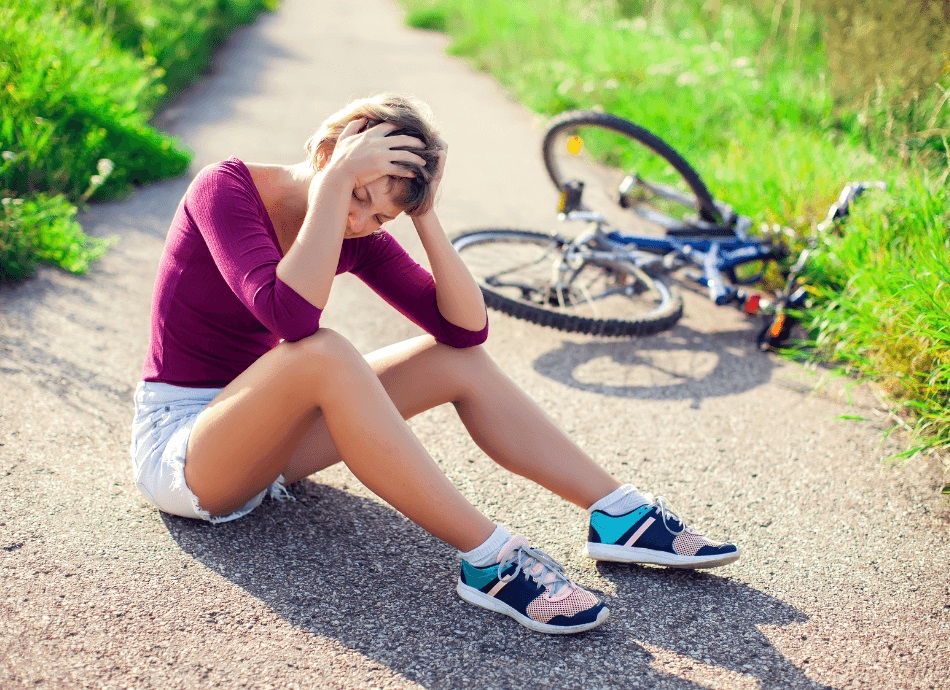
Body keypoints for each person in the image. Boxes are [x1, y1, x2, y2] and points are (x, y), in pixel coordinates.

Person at [130, 93, 739, 635]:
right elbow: (288, 317)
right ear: (325, 152)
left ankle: (618, 515)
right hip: (185, 449)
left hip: (265, 442)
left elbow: (465, 328)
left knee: (453, 361)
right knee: (322, 352)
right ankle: (491, 559)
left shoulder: (357, 233)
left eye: (379, 216)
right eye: (358, 195)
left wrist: (423, 215)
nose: (357, 221)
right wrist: (341, 179)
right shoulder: (226, 189)